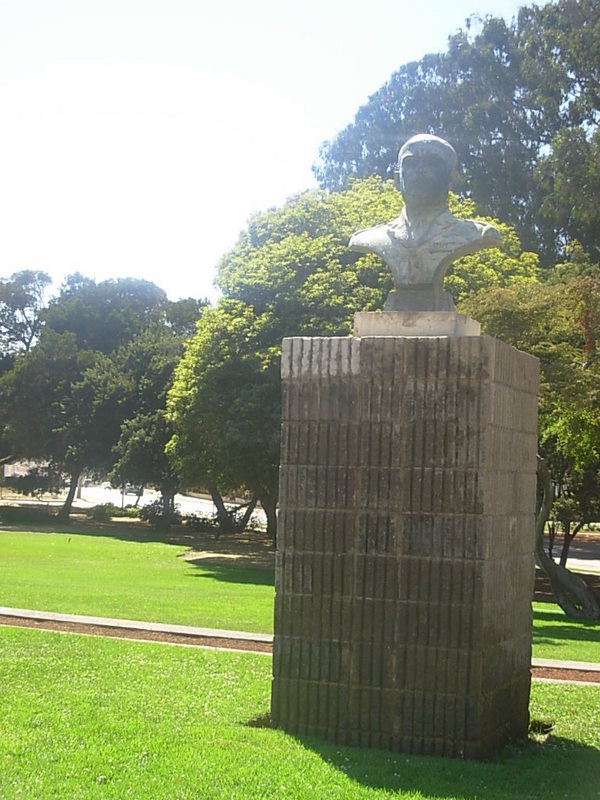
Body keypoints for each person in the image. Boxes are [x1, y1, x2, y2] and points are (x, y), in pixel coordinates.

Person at [348, 134, 501, 311]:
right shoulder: (370, 238)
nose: (420, 169)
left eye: (433, 162)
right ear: (398, 180)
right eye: (411, 162)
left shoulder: (478, 235)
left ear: (453, 178)